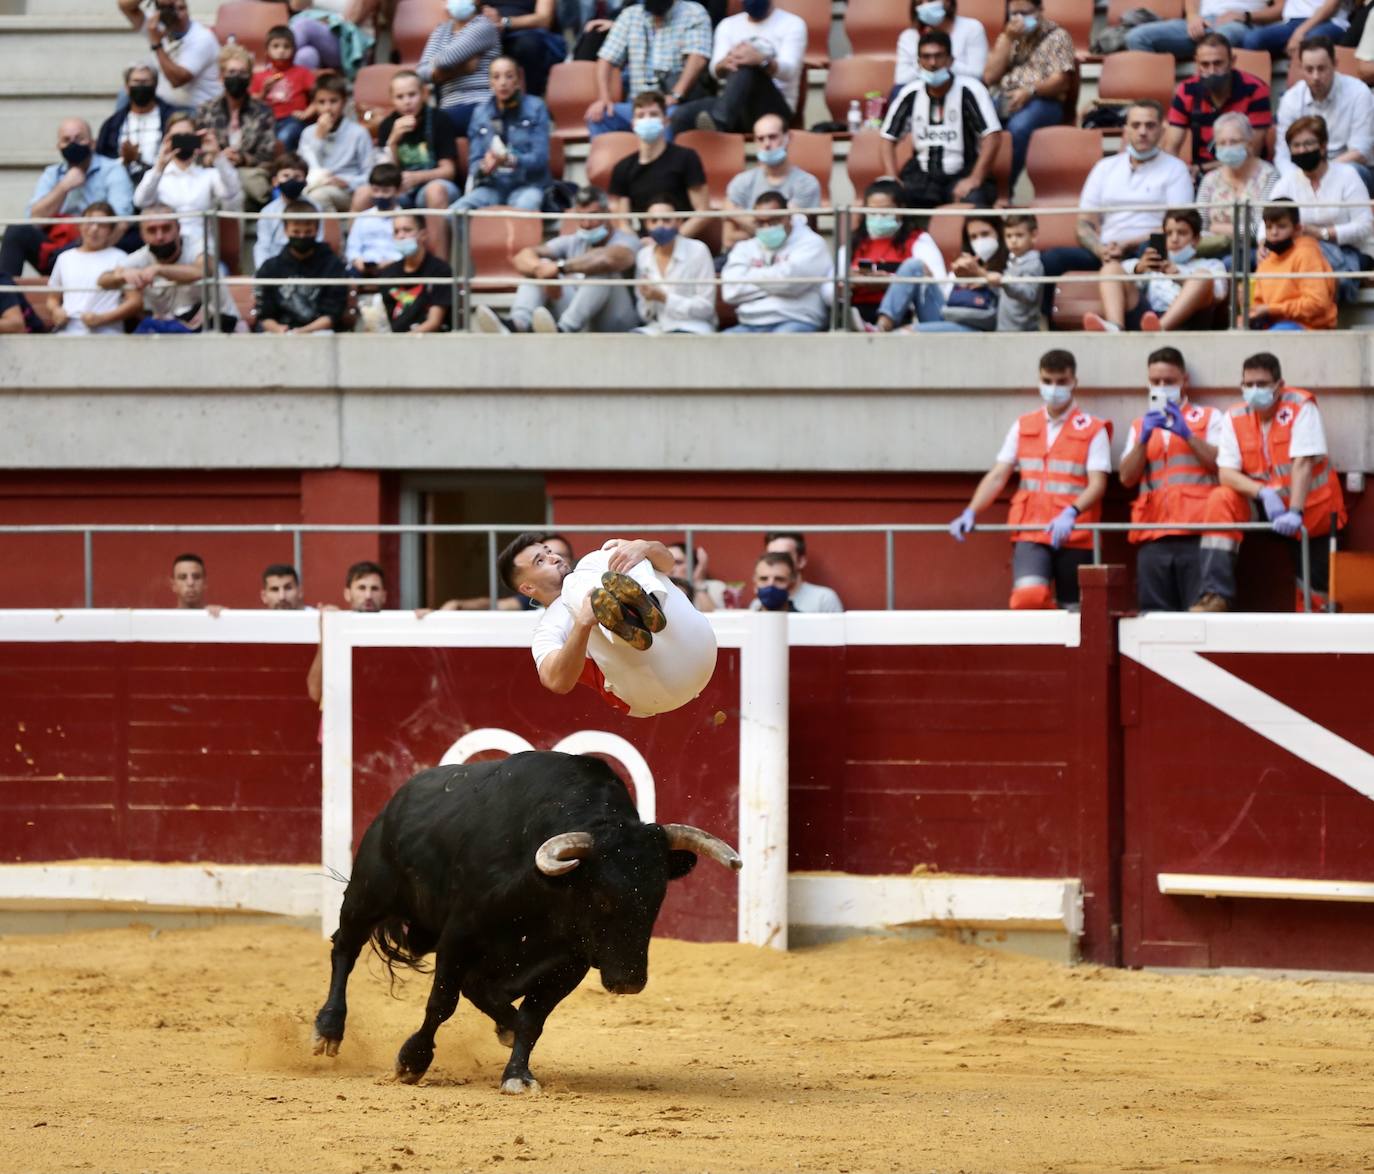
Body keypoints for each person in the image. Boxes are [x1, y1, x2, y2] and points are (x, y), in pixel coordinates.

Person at [948, 349, 1111, 610]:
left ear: (1074, 382)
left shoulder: (1093, 429)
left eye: (1061, 381)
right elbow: (998, 474)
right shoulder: (1024, 425)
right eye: (1047, 381)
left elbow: (1098, 484)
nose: (1054, 388)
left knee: (1077, 612)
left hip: (1076, 532)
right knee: (1028, 599)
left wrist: (1071, 512)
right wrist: (971, 510)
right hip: (1031, 531)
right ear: (1039, 380)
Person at [500, 533, 718, 718]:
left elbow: (668, 563)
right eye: (540, 561)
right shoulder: (548, 628)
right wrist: (582, 623)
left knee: (613, 550)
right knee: (575, 582)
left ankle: (646, 606)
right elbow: (556, 681)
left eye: (548, 551)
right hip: (653, 686)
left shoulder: (593, 565)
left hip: (695, 650)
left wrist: (642, 546)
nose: (553, 558)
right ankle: (631, 618)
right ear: (527, 588)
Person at [1195, 351, 1346, 612]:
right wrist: (1263, 493)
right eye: (1249, 384)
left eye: (1262, 384)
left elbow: (1303, 463)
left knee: (1316, 597)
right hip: (1266, 506)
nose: (1255, 390)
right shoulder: (1235, 416)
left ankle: (1314, 627)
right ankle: (1215, 594)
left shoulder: (1301, 406)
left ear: (1279, 385)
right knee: (1221, 498)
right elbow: (1226, 473)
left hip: (1310, 512)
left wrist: (1295, 511)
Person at [1118, 347, 1224, 613]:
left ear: (1184, 380)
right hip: (1153, 535)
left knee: (1199, 616)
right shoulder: (1139, 425)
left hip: (1197, 532)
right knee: (1154, 616)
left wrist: (1187, 434)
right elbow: (1127, 478)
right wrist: (1143, 439)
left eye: (1170, 381)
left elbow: (1220, 465)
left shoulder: (1209, 418)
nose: (1163, 388)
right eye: (1156, 382)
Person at [1043, 102, 1193, 280]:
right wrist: (1100, 250)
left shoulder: (1176, 169)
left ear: (1162, 129)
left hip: (1148, 249)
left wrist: (1127, 244)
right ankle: (1042, 310)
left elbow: (1179, 225)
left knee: (1153, 249)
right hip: (1107, 250)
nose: (1142, 131)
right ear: (1126, 129)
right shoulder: (1104, 167)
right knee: (1051, 259)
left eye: (1150, 125)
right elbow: (1084, 223)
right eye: (1136, 125)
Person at [474, 184, 640, 333]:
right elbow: (523, 256)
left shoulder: (626, 239)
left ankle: (564, 329)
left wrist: (560, 268)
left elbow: (610, 259)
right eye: (581, 217)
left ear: (607, 214)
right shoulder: (573, 240)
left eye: (594, 215)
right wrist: (541, 270)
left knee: (601, 271)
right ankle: (517, 325)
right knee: (540, 266)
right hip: (583, 320)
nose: (587, 224)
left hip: (617, 321)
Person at [880, 30, 1003, 209]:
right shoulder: (910, 93)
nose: (932, 63)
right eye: (926, 57)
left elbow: (992, 137)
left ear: (950, 60)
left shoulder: (971, 90)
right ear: (918, 62)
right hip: (921, 177)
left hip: (962, 173)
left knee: (974, 200)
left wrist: (975, 179)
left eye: (938, 56)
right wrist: (892, 178)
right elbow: (887, 139)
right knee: (887, 200)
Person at [0, 119, 135, 279]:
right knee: (16, 232)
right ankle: (5, 297)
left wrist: (86, 245)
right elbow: (33, 219)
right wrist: (63, 187)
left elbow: (121, 220)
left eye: (79, 139)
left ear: (92, 143)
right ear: (59, 146)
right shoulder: (52, 174)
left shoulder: (112, 169)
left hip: (97, 243)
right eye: (66, 140)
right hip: (55, 249)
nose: (73, 144)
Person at [1269, 115, 1374, 295]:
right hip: (1302, 252)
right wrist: (1264, 242)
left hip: (1351, 251)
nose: (1302, 150)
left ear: (1323, 146)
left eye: (1308, 144)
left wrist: (1322, 234)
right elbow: (1265, 222)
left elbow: (1365, 226)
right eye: (1296, 146)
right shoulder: (1285, 183)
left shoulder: (1348, 176)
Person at [669, 0, 806, 135]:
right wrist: (725, 63)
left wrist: (761, 61)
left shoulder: (793, 24)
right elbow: (715, 70)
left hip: (773, 109)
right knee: (681, 115)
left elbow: (790, 70)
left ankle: (719, 122)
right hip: (733, 106)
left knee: (747, 68)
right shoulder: (728, 25)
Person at [97, 203, 238, 333]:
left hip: (220, 329)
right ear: (142, 235)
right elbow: (103, 280)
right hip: (173, 335)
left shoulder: (197, 245)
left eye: (166, 228)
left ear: (178, 228)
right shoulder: (141, 257)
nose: (160, 236)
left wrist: (159, 269)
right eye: (152, 230)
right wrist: (122, 275)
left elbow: (202, 270)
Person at [1083, 207, 1227, 332]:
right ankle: (1115, 327)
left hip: (1189, 321)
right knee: (1111, 268)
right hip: (1148, 320)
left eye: (1182, 233)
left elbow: (1219, 293)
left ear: (1196, 239)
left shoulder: (1212, 264)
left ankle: (1159, 329)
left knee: (1202, 276)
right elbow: (1122, 269)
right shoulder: (1153, 262)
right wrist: (1139, 269)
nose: (1174, 239)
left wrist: (1179, 276)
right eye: (1169, 233)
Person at [982, 0, 1075, 191]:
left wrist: (1030, 91)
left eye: (1024, 13)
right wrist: (1007, 39)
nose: (1018, 19)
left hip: (1043, 101)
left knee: (1018, 128)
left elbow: (1061, 81)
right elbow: (990, 76)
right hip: (1005, 97)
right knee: (978, 125)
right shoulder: (1009, 35)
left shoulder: (1058, 36)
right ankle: (980, 183)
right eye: (1013, 14)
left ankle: (1003, 189)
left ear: (1040, 10)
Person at [587, 0, 713, 136]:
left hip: (672, 102)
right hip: (637, 103)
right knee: (599, 116)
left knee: (668, 117)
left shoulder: (693, 12)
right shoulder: (630, 15)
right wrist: (604, 98)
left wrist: (676, 94)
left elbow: (698, 58)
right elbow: (606, 59)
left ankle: (665, 157)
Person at [722, 190, 833, 333]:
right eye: (761, 223)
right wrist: (776, 282)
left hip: (797, 319)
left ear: (788, 217)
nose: (767, 228)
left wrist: (750, 276)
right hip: (749, 322)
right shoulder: (745, 247)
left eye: (773, 221)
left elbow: (789, 283)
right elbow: (730, 291)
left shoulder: (812, 244)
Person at [846, 178, 949, 331]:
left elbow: (938, 285)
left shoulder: (919, 241)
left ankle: (882, 326)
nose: (878, 217)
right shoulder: (853, 243)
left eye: (885, 211)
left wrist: (891, 282)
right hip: (859, 310)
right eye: (872, 212)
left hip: (905, 314)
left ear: (901, 210)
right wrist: (852, 280)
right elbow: (829, 289)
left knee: (913, 267)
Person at [1274, 37, 1374, 193]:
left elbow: (1360, 152)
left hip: (1349, 168)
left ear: (1335, 64)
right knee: (1274, 178)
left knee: (1353, 172)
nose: (1315, 77)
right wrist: (1297, 178)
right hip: (1303, 169)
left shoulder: (1359, 93)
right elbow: (1283, 154)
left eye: (1321, 68)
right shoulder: (1290, 99)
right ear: (1300, 68)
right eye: (1309, 69)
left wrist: (1321, 173)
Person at [1162, 34, 1273, 173]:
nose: (1212, 71)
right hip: (1200, 174)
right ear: (1196, 63)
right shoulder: (1186, 91)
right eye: (1205, 64)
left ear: (1232, 61)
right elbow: (1171, 148)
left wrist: (1201, 169)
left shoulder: (1255, 90)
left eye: (1218, 63)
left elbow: (1252, 152)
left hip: (1248, 171)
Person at [133, 115, 242, 254]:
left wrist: (217, 155)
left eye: (188, 136)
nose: (183, 140)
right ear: (168, 140)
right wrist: (160, 165)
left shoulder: (209, 175)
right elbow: (140, 201)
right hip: (166, 248)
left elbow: (232, 192)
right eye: (177, 136)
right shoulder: (157, 175)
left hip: (202, 250)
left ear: (196, 138)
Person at [455, 56, 552, 212]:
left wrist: (511, 159)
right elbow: (474, 162)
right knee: (456, 211)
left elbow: (540, 158)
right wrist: (484, 166)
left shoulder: (536, 107)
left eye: (509, 76)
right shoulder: (480, 113)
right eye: (496, 77)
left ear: (518, 80)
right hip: (493, 187)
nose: (503, 82)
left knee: (526, 204)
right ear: (490, 82)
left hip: (527, 185)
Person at [607, 92, 711, 236]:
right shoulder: (622, 168)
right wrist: (641, 247)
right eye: (641, 116)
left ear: (666, 121)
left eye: (654, 114)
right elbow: (622, 222)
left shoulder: (687, 158)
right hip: (642, 247)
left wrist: (670, 241)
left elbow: (702, 213)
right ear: (633, 124)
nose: (647, 120)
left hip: (682, 242)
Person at [195, 45, 278, 212]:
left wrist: (241, 158)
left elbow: (267, 156)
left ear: (250, 77)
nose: (237, 77)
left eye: (242, 73)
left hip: (247, 177)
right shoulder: (205, 111)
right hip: (215, 175)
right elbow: (195, 153)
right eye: (231, 72)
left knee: (237, 196)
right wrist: (217, 158)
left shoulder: (263, 111)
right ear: (221, 76)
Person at [721, 112, 822, 250]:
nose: (767, 144)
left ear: (788, 137)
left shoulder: (807, 183)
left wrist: (739, 217)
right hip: (747, 258)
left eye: (772, 137)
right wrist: (771, 227)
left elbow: (788, 233)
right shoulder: (741, 182)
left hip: (792, 256)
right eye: (760, 139)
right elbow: (729, 239)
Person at [253, 200, 350, 334]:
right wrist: (279, 330)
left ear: (317, 230)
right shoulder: (270, 267)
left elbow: (333, 314)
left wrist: (303, 331)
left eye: (308, 232)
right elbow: (264, 314)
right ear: (286, 230)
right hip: (280, 332)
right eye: (296, 232)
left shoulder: (333, 265)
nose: (302, 236)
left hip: (319, 331)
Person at [45, 202, 141, 336]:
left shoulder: (121, 257)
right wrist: (56, 311)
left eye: (102, 225)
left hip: (108, 333)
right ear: (80, 225)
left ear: (111, 231)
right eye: (89, 223)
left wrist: (103, 319)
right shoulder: (64, 258)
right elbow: (52, 298)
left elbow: (135, 302)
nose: (94, 229)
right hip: (68, 332)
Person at [1194, 112, 1279, 255]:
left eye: (1234, 142)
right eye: (1221, 143)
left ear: (1249, 144)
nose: (1227, 148)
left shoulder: (1269, 176)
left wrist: (1219, 228)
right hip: (1214, 252)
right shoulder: (1210, 180)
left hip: (1254, 252)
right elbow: (1199, 227)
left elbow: (1262, 227)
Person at [307, 560, 389, 705]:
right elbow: (315, 692)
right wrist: (327, 636)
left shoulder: (394, 629)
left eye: (374, 589)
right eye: (361, 588)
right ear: (347, 594)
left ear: (384, 595)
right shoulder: (336, 627)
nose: (368, 595)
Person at [1246, 200, 1337, 330]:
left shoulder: (1307, 254)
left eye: (1281, 226)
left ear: (1297, 229)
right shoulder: (1265, 259)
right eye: (1269, 227)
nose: (1274, 232)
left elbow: (1317, 303)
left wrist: (1270, 309)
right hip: (1272, 324)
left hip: (1308, 326)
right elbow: (1258, 301)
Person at [416, 0, 502, 136]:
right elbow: (420, 72)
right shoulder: (441, 30)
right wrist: (462, 68)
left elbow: (446, 59)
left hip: (480, 103)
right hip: (448, 106)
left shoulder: (484, 26)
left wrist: (438, 69)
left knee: (430, 128)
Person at [912, 213, 1008, 333]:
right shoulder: (966, 263)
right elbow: (947, 301)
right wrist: (960, 281)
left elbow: (1014, 296)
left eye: (985, 234)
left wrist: (981, 276)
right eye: (973, 237)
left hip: (981, 326)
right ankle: (884, 324)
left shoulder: (1012, 262)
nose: (980, 241)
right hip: (952, 319)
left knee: (909, 332)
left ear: (999, 232)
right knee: (914, 266)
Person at [117, 0, 222, 109]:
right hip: (164, 105)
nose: (176, 12)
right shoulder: (158, 26)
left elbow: (177, 80)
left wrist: (157, 44)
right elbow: (124, 6)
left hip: (196, 108)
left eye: (181, 8)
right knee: (128, 92)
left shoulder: (202, 38)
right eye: (169, 8)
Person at [633, 198, 717, 333]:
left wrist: (665, 298)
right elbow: (645, 314)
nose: (660, 226)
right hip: (658, 327)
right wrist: (648, 300)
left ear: (678, 222)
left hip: (693, 325)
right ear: (646, 225)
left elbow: (706, 308)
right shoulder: (643, 255)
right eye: (654, 221)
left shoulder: (698, 250)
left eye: (666, 220)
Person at [298, 74, 374, 213]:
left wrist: (347, 182)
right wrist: (318, 139)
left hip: (348, 191)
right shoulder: (308, 133)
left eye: (333, 101)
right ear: (314, 105)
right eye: (321, 102)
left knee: (318, 196)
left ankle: (332, 234)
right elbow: (306, 169)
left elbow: (370, 174)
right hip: (314, 186)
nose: (328, 108)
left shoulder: (359, 133)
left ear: (344, 102)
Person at [97, 65, 175, 189]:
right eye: (136, 82)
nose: (140, 87)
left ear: (155, 86)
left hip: (163, 185)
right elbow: (102, 161)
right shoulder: (112, 124)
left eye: (145, 82)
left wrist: (137, 158)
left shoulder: (172, 119)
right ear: (127, 88)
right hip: (120, 186)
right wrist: (124, 160)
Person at [376, 212, 454, 333]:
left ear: (423, 235)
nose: (401, 236)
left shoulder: (440, 270)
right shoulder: (388, 274)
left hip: (429, 342)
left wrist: (404, 341)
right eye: (396, 232)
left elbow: (434, 322)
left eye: (407, 230)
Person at [251, 25, 317, 151]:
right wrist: (264, 92)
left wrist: (307, 113)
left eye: (286, 46)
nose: (281, 51)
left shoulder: (303, 73)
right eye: (276, 46)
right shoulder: (259, 77)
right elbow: (251, 103)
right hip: (267, 121)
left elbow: (319, 96)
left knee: (286, 136)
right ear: (266, 50)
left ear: (294, 50)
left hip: (293, 120)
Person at [482, 0, 565, 98]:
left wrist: (504, 22)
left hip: (527, 34)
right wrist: (481, 12)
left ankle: (529, 101)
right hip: (487, 29)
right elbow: (467, 7)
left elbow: (544, 19)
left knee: (528, 46)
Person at [254, 154, 321, 272]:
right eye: (286, 176)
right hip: (276, 270)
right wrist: (264, 272)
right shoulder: (267, 212)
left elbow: (319, 240)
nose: (291, 180)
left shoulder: (316, 208)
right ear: (275, 181)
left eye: (297, 176)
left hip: (309, 269)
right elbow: (263, 246)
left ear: (305, 181)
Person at [897, 0, 990, 84]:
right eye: (919, 3)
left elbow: (977, 74)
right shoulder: (909, 36)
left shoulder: (972, 28)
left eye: (931, 0)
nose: (925, 5)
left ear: (948, 2)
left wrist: (945, 63)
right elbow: (901, 79)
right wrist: (923, 65)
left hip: (961, 91)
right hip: (921, 91)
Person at [1125, 0, 1263, 56]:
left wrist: (1246, 16)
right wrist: (1193, 18)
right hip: (1204, 21)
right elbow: (1191, 3)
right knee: (1137, 37)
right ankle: (1152, 105)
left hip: (1242, 23)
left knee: (1219, 39)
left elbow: (1280, 9)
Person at [1241, 0, 1348, 63]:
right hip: (1293, 22)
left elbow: (1332, 6)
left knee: (1312, 41)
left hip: (1331, 21)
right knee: (1252, 39)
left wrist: (1300, 32)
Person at [345, 163, 404, 276]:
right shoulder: (362, 217)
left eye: (386, 191)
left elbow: (406, 250)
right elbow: (352, 248)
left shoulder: (405, 218)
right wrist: (358, 261)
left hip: (393, 267)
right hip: (363, 268)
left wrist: (391, 262)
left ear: (397, 191)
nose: (380, 195)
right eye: (376, 190)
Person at [762, 532, 843, 611]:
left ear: (801, 561)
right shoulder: (759, 603)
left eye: (784, 556)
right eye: (771, 556)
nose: (777, 563)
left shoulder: (824, 599)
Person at [667, 541, 727, 610]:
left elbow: (711, 617)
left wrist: (699, 582)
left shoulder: (715, 588)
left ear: (694, 565)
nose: (670, 569)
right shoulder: (656, 588)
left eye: (678, 563)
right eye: (666, 563)